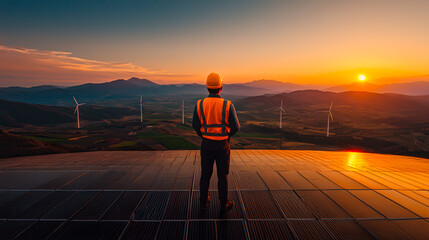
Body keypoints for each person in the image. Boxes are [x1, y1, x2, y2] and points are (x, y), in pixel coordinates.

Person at [192, 72, 240, 211]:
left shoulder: (200, 104)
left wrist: (205, 136)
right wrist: (226, 137)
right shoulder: (228, 105)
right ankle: (224, 203)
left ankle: (203, 200)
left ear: (207, 87)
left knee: (205, 174)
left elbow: (195, 125)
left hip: (206, 143)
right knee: (222, 175)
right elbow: (236, 126)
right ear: (221, 87)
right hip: (222, 145)